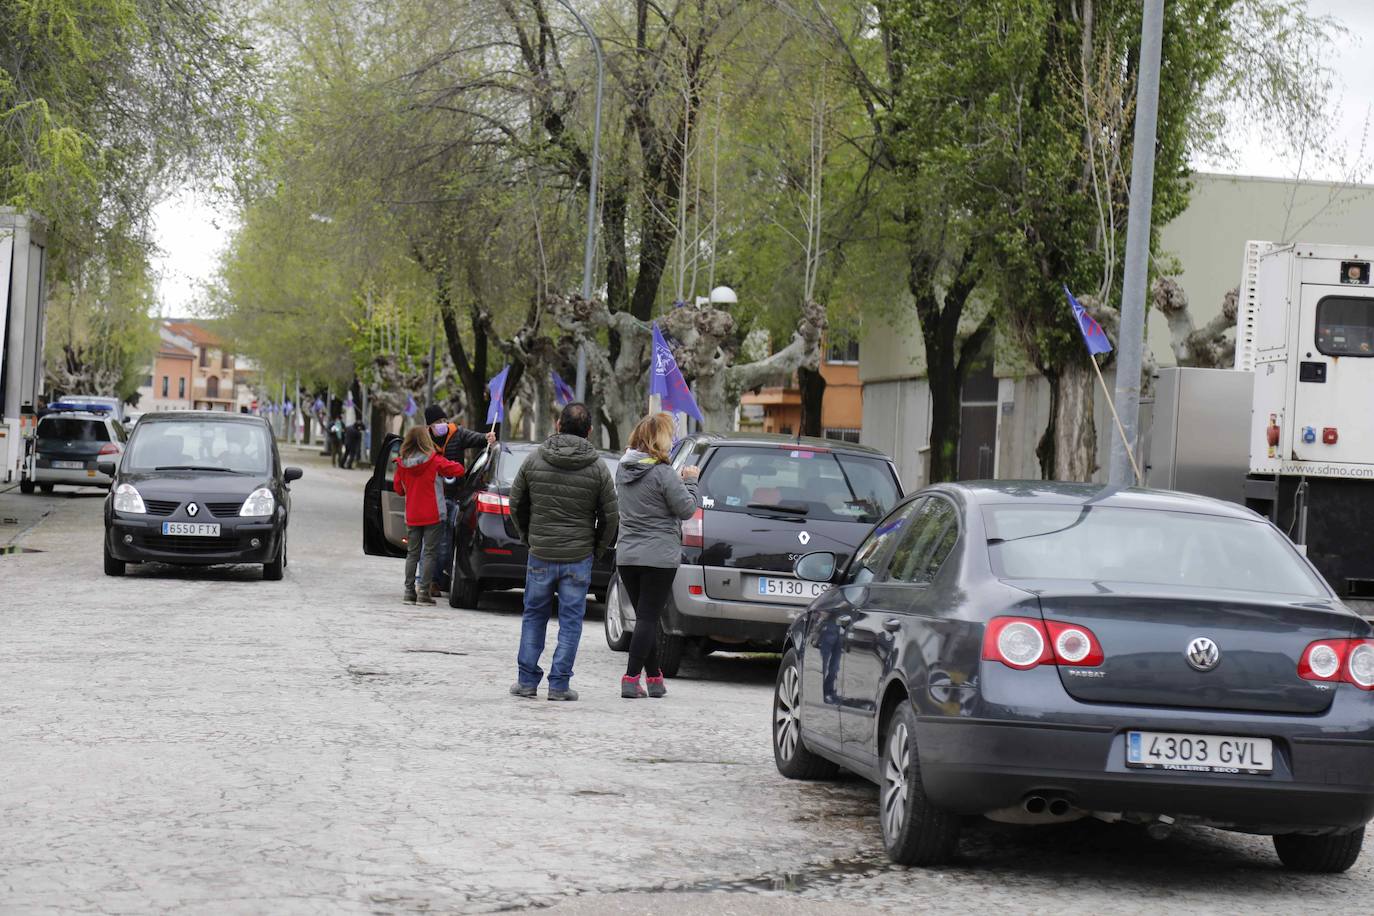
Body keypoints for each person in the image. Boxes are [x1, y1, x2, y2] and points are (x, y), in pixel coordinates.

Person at [508, 402, 619, 701]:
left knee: (534, 616)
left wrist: (528, 537)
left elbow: (515, 504)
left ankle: (527, 681)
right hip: (578, 557)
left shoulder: (534, 459)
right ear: (590, 432)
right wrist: (596, 549)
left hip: (541, 552)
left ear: (558, 425)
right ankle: (559, 685)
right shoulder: (597, 468)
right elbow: (611, 517)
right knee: (571, 621)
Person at [613, 413, 699, 698]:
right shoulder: (663, 474)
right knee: (648, 618)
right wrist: (691, 482)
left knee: (644, 619)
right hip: (659, 557)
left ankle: (654, 679)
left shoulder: (623, 469)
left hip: (627, 556)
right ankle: (630, 678)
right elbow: (686, 509)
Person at [420, 404, 496, 597]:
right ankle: (426, 582)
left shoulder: (458, 434)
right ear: (429, 426)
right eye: (438, 422)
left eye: (444, 420)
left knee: (445, 545)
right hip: (430, 498)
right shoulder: (423, 441)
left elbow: (477, 438)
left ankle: (438, 579)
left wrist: (487, 437)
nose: (443, 424)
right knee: (428, 543)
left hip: (453, 498)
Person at [392, 424, 466, 605]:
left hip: (412, 513)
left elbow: (398, 490)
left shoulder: (401, 464)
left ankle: (409, 592)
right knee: (430, 554)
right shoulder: (434, 461)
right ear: (426, 441)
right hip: (434, 513)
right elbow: (458, 470)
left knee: (412, 554)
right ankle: (424, 592)